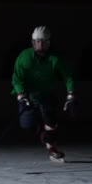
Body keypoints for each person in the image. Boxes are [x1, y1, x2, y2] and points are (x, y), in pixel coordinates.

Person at [11, 26, 77, 162]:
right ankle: (42, 131)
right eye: (37, 41)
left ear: (49, 43)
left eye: (44, 41)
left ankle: (52, 148)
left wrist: (70, 95)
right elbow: (17, 78)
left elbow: (68, 77)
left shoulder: (55, 59)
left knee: (50, 118)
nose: (40, 44)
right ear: (33, 42)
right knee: (27, 125)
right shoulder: (25, 57)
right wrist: (21, 96)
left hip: (47, 94)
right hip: (28, 95)